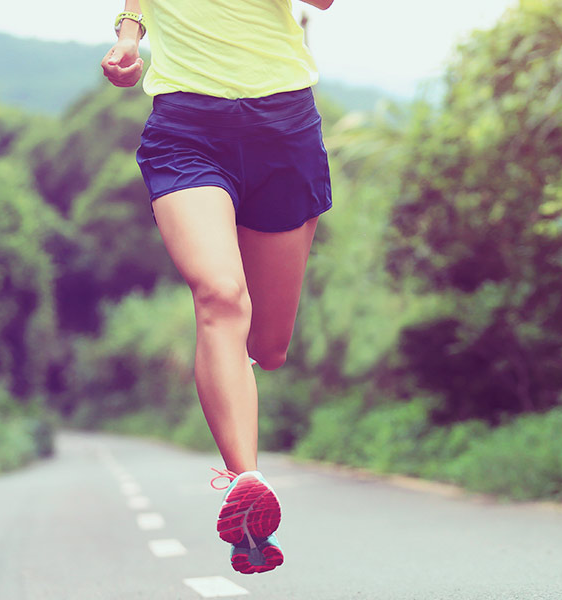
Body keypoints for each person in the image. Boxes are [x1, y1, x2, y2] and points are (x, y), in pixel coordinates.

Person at [101, 0, 335, 575]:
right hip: (187, 125)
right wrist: (131, 34)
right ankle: (245, 484)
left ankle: (244, 469)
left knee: (268, 346)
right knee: (220, 293)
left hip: (284, 123)